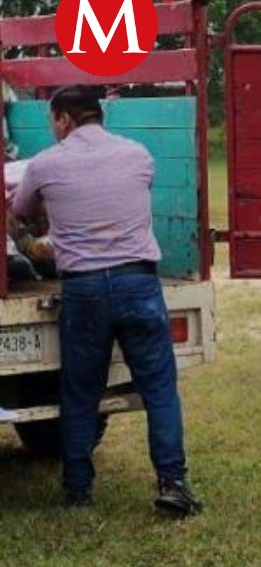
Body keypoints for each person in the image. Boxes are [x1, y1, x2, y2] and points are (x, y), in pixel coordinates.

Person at [11, 85, 200, 515]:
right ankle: (172, 483)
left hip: (84, 290)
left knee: (80, 392)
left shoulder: (44, 165)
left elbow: (21, 211)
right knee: (159, 389)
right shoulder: (139, 155)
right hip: (138, 283)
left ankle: (78, 489)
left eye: (52, 122)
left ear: (63, 119)